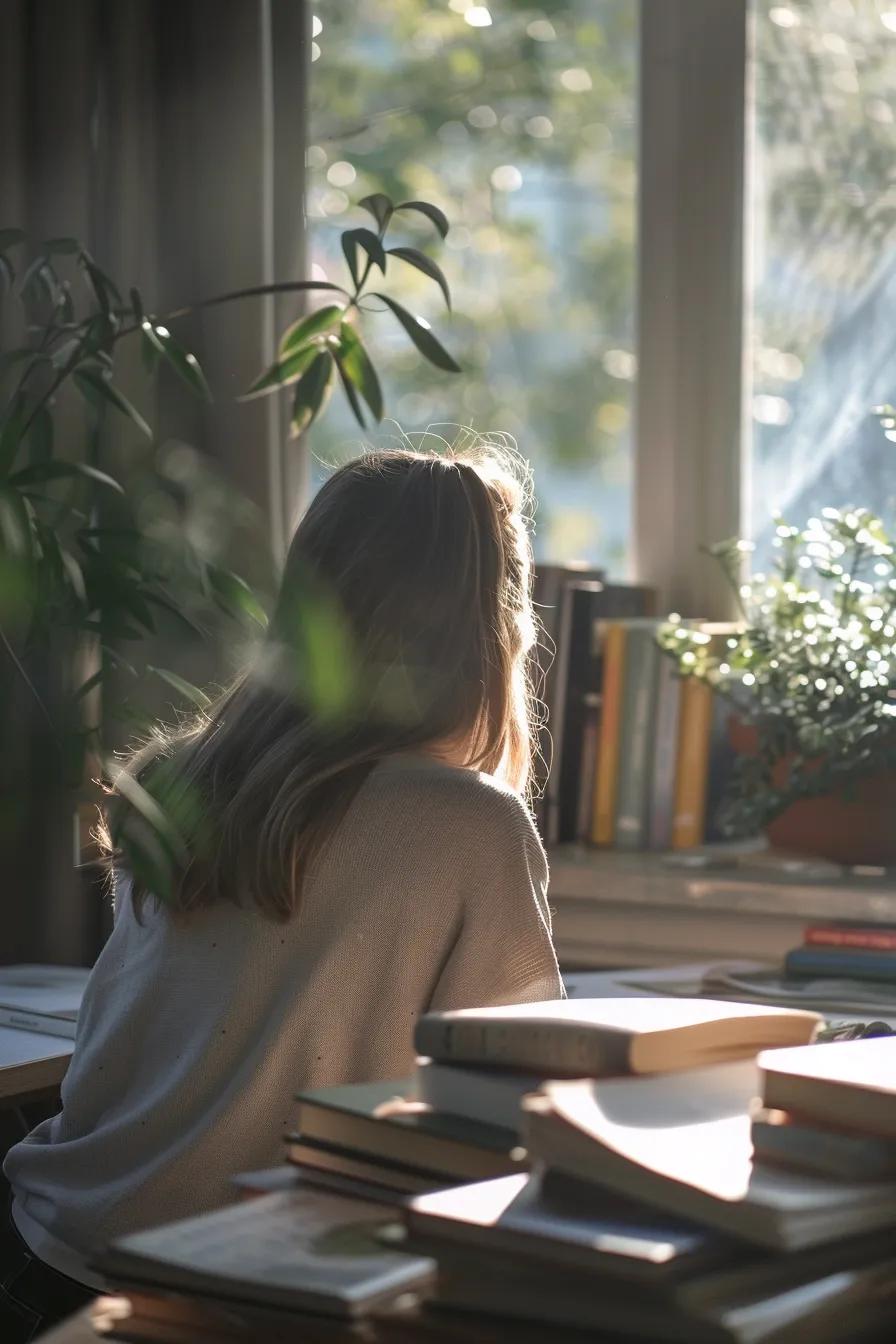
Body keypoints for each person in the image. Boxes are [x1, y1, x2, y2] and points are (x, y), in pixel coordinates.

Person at [2, 439, 562, 1333]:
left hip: (52, 1258)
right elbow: (520, 1104)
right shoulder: (470, 825)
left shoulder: (182, 777)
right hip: (234, 1293)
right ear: (492, 629)